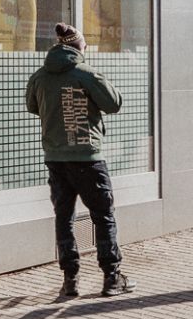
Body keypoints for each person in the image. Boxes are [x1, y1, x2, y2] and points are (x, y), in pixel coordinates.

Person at [26, 22, 130, 298]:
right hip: (87, 157)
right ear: (78, 46)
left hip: (56, 159)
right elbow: (114, 103)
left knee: (64, 218)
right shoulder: (86, 73)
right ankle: (111, 277)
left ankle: (70, 280)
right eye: (84, 44)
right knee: (103, 216)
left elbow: (32, 106)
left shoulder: (40, 76)